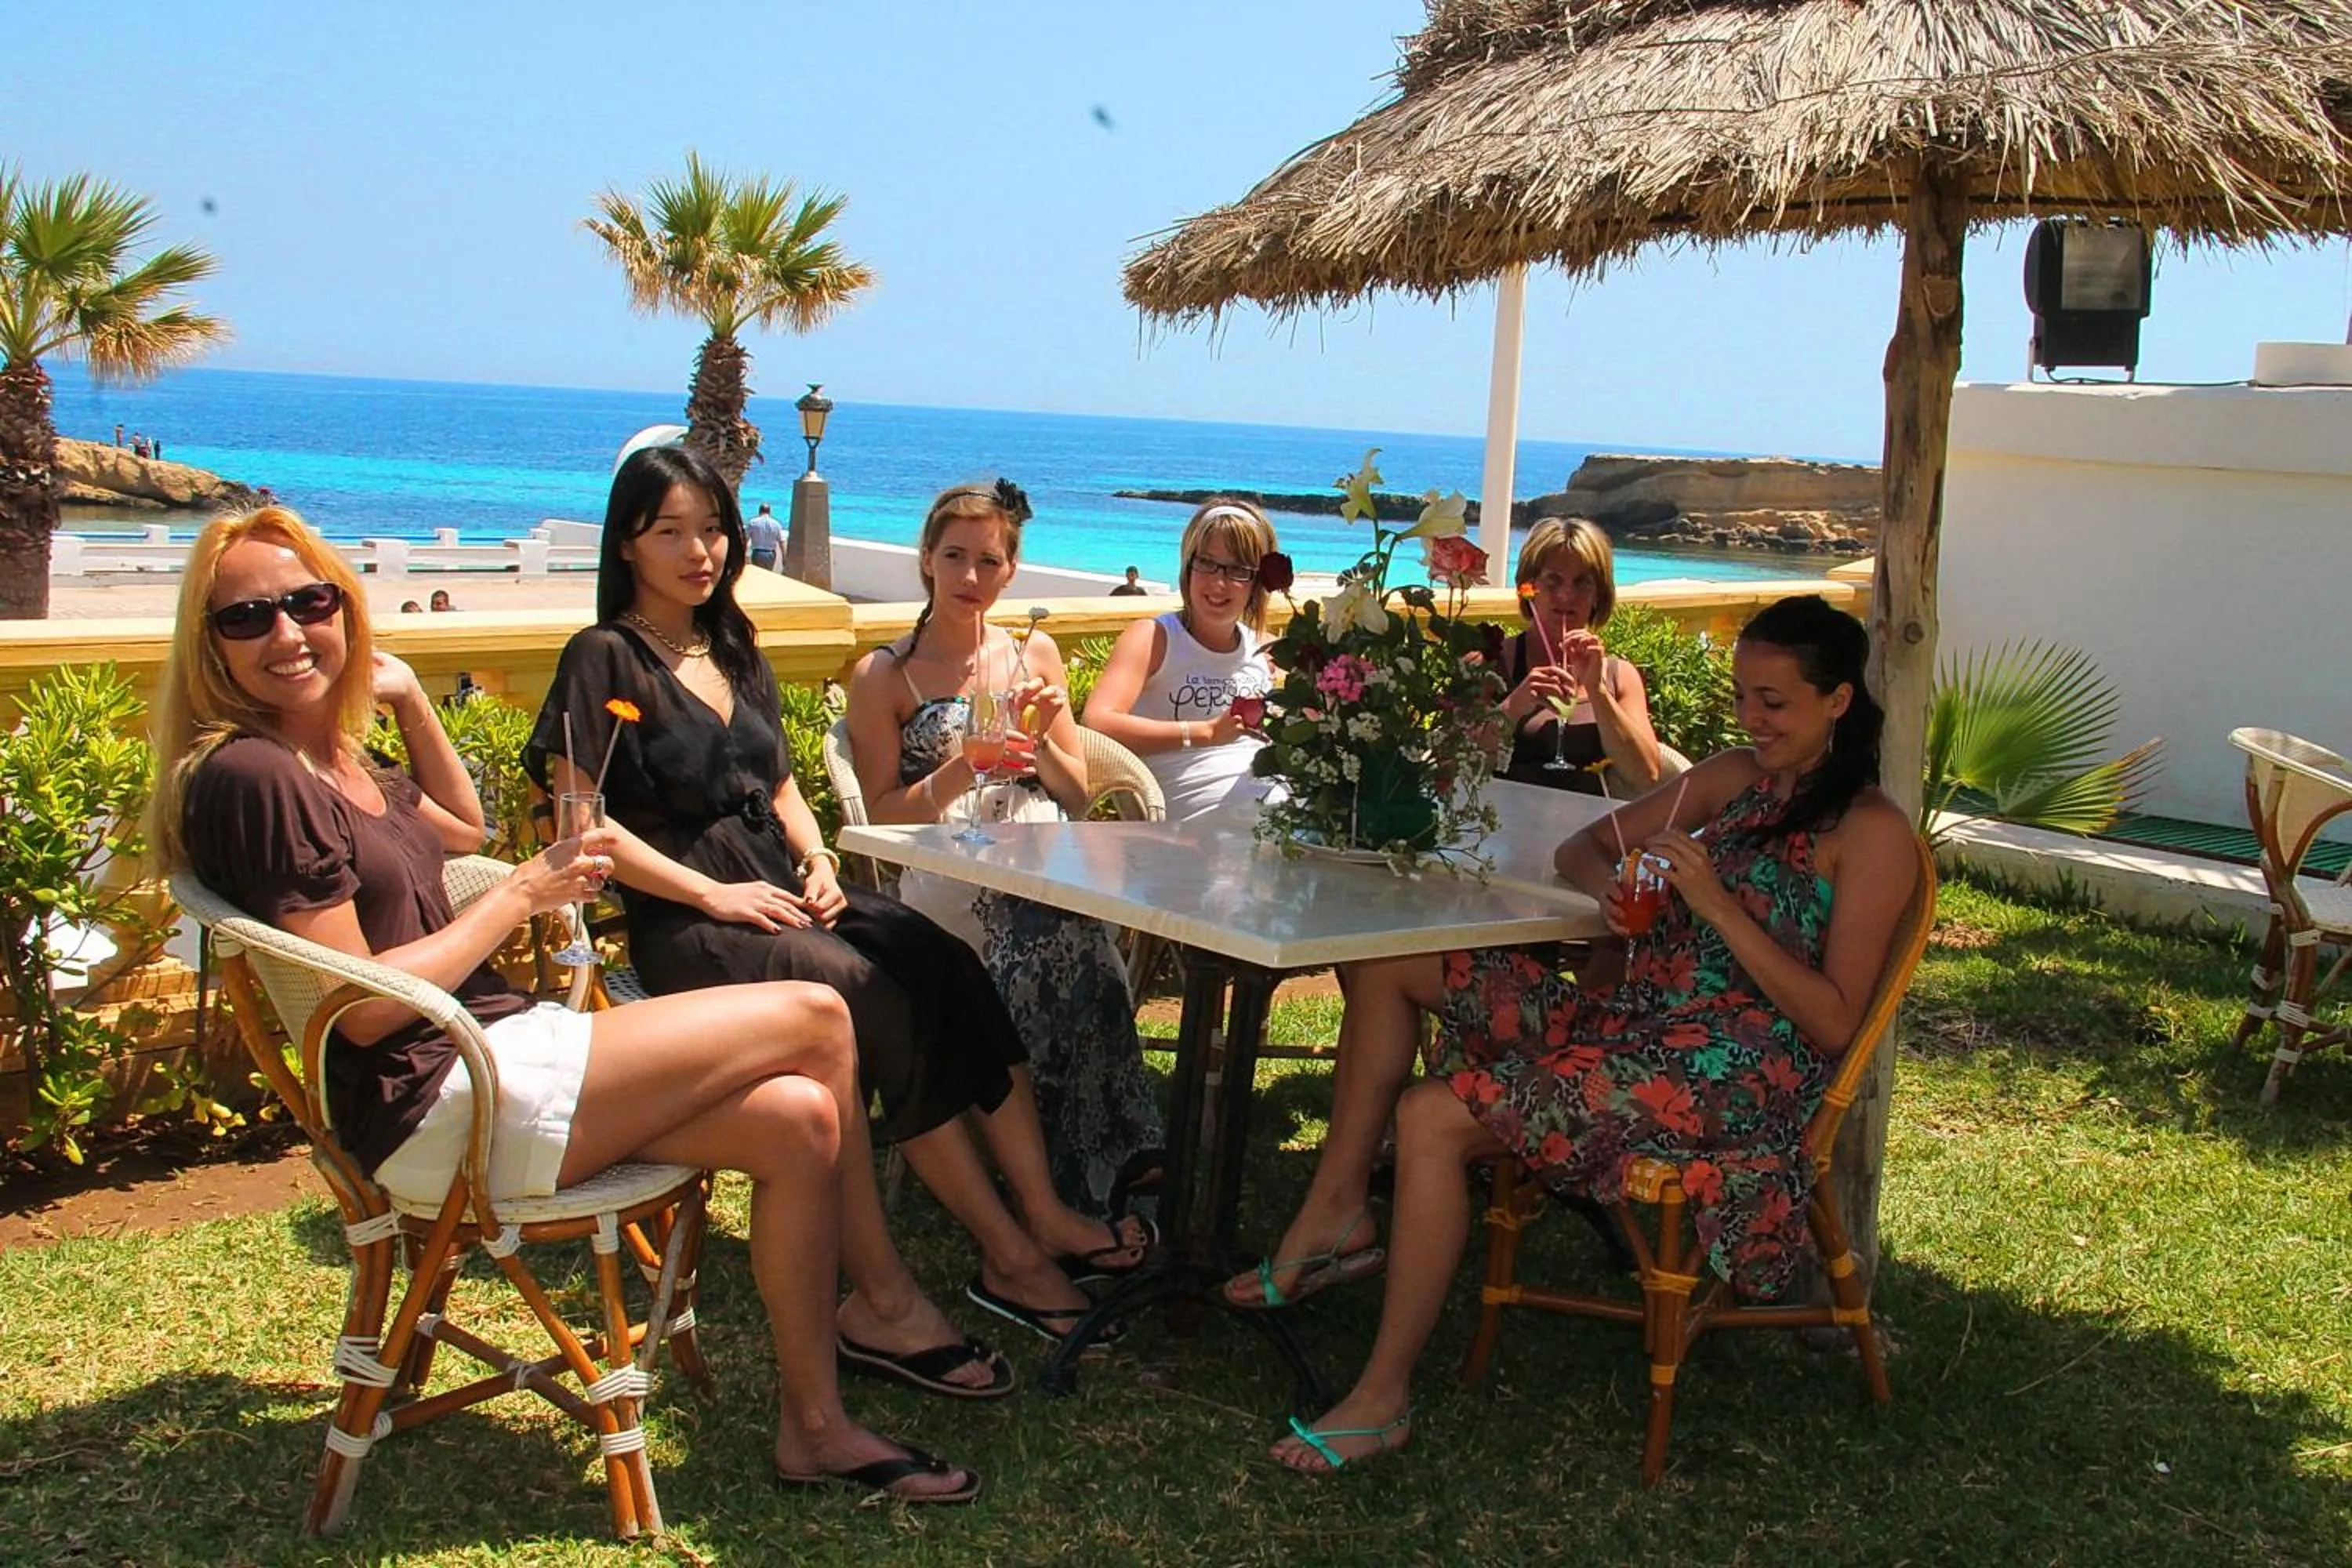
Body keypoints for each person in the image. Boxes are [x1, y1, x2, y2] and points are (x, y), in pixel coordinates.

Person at [148, 506, 979, 1503]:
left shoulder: (329, 756)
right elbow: (358, 1012)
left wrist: (406, 697)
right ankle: (884, 1298)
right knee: (815, 1013)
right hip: (433, 1099)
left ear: (344, 608)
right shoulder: (255, 774)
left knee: (801, 1117)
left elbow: (462, 824)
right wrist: (521, 892)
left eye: (310, 602)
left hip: (491, 1052)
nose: (287, 633)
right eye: (249, 618)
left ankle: (815, 1426)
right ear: (211, 646)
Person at [1248, 593, 1918, 1473]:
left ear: (1837, 701)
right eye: (1743, 695)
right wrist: (1617, 893)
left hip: (1734, 1073)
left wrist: (1714, 904)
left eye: (1775, 702)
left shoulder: (1871, 833)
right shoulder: (1732, 776)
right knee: (1393, 961)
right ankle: (1339, 1211)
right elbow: (1582, 848)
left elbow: (1834, 1021)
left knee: (1432, 1113)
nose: (1752, 718)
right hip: (1635, 1022)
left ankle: (1382, 1397)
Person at [531, 446, 1146, 1365]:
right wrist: (713, 891)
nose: (700, 550)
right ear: (627, 543)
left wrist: (816, 852)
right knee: (875, 996)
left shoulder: (728, 644)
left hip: (782, 889)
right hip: (691, 918)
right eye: (672, 532)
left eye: (712, 528)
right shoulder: (605, 657)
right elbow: (585, 827)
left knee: (948, 963)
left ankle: (1047, 1213)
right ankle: (1003, 1257)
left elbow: (778, 785)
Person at [846, 479, 1164, 1217]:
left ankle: (1108, 1152)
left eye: (988, 562)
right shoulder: (885, 675)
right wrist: (968, 763)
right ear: (925, 559)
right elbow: (885, 817)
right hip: (944, 862)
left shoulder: (1034, 655)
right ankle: (1060, 1169)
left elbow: (1078, 795)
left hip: (1041, 850)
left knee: (1078, 935)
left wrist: (1048, 737)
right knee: (1051, 942)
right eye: (954, 557)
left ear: (1010, 571)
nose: (969, 578)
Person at [1083, 498, 1278, 822]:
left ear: (1257, 582)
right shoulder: (1154, 638)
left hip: (1275, 809)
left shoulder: (1262, 649)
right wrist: (1203, 733)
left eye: (1238, 570)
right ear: (1188, 567)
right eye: (1207, 563)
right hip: (1195, 824)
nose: (1218, 583)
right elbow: (1097, 722)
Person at [1491, 518, 1661, 795]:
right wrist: (1515, 705)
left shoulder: (1619, 676)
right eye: (1553, 580)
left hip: (1590, 832)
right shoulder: (1493, 663)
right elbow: (1452, 762)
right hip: (1505, 828)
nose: (1567, 595)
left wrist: (1598, 691)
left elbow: (1646, 776)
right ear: (1530, 589)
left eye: (1583, 583)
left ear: (1598, 595)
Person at [745, 502, 786, 572]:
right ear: (769, 512)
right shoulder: (776, 524)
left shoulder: (752, 522)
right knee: (768, 575)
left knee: (757, 574)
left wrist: (744, 554)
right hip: (770, 554)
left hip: (757, 553)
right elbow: (782, 542)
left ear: (759, 511)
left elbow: (745, 539)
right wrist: (784, 557)